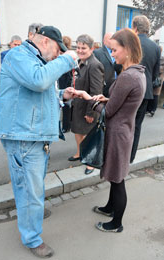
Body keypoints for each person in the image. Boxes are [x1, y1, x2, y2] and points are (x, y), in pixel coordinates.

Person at [0, 25, 77, 258]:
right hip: (24, 138)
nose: (58, 54)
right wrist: (68, 60)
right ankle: (32, 238)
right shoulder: (18, 55)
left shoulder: (33, 60)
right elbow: (38, 81)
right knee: (29, 190)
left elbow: (39, 91)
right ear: (44, 42)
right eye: (57, 49)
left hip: (34, 137)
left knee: (32, 188)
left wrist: (62, 95)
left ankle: (31, 218)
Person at [69, 28, 146, 232]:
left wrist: (89, 98)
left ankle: (116, 223)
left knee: (118, 179)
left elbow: (109, 112)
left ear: (127, 49)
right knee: (115, 176)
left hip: (118, 133)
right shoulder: (138, 72)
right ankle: (109, 208)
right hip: (124, 131)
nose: (111, 54)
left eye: (114, 50)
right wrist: (107, 98)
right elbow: (121, 102)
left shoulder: (128, 76)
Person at [68, 34, 104, 175]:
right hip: (77, 105)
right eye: (78, 47)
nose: (80, 50)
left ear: (92, 48)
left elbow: (96, 92)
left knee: (88, 135)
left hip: (87, 107)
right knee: (78, 131)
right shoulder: (80, 62)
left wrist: (91, 112)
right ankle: (79, 153)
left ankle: (91, 162)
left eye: (84, 48)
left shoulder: (95, 65)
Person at [131, 15, 161, 162]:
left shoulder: (131, 42)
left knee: (125, 123)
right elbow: (155, 74)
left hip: (129, 89)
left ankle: (123, 155)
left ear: (135, 27)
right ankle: (131, 156)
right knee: (137, 126)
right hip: (146, 90)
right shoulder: (155, 47)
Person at [93, 32, 116, 97]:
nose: (113, 41)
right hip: (103, 90)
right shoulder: (97, 53)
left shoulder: (117, 52)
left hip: (115, 88)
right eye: (111, 39)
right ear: (104, 41)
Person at [58, 36, 72, 133]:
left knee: (66, 107)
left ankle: (66, 127)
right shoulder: (68, 54)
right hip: (65, 83)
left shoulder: (66, 55)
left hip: (64, 84)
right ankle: (66, 126)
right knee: (66, 108)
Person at [146, 46, 164, 116]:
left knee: (151, 94)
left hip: (154, 78)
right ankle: (152, 109)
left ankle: (150, 109)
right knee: (155, 94)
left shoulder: (153, 57)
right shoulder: (161, 59)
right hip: (159, 79)